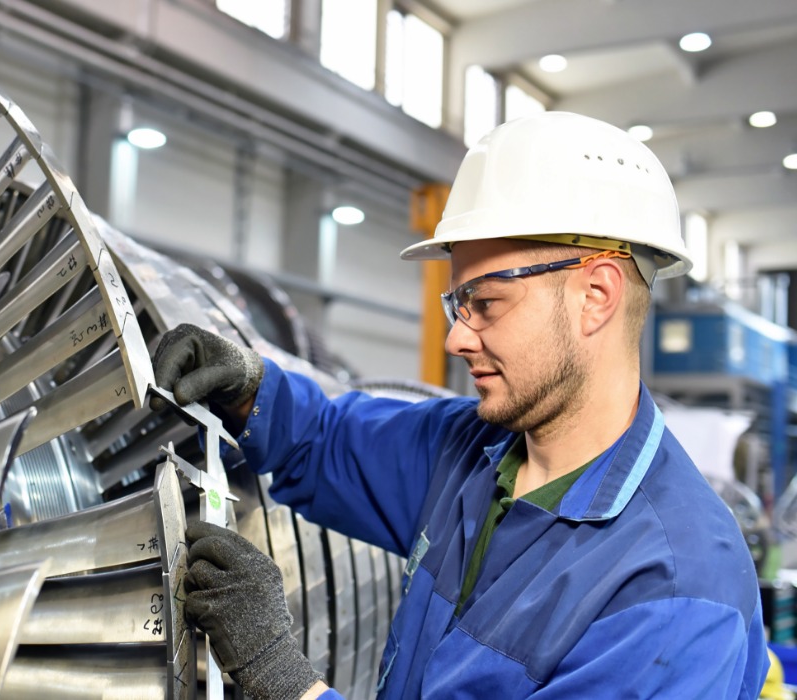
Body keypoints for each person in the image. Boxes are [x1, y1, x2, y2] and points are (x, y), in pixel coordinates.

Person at [154, 111, 769, 699]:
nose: (456, 338)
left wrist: (284, 681)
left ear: (596, 296)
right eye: (457, 305)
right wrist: (248, 388)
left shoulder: (674, 590)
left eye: (487, 302)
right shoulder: (473, 452)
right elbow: (325, 442)